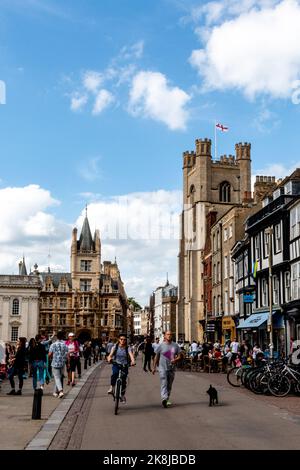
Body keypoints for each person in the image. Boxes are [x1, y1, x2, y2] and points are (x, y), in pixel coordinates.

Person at [152, 330, 183, 408]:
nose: (169, 336)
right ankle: (164, 398)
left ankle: (167, 399)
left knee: (169, 385)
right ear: (165, 336)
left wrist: (175, 360)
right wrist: (154, 367)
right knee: (164, 383)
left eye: (170, 334)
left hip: (171, 368)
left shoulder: (175, 346)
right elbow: (156, 356)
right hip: (162, 368)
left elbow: (180, 356)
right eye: (167, 334)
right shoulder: (161, 345)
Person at [107, 333, 135, 403]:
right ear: (119, 340)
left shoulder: (128, 348)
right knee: (114, 374)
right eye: (121, 339)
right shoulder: (115, 347)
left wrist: (133, 361)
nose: (123, 341)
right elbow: (110, 355)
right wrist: (109, 359)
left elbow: (131, 356)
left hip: (124, 365)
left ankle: (122, 395)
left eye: (124, 340)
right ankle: (112, 387)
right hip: (116, 364)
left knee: (123, 380)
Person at [49, 331, 68, 398]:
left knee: (57, 378)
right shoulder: (65, 344)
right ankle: (55, 392)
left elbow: (50, 354)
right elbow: (66, 354)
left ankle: (60, 391)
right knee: (59, 378)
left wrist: (49, 358)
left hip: (55, 363)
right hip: (62, 363)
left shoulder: (53, 344)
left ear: (56, 337)